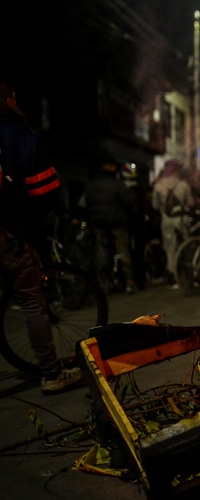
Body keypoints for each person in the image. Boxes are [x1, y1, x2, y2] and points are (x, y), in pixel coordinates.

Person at [0, 80, 83, 393]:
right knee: (31, 300)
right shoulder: (18, 135)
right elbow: (45, 190)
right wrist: (30, 225)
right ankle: (52, 374)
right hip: (8, 233)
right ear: (10, 100)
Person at [84, 157, 137, 292]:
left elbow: (86, 204)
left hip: (98, 223)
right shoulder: (117, 184)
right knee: (123, 250)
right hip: (117, 221)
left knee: (101, 249)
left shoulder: (91, 185)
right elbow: (128, 202)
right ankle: (129, 282)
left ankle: (103, 281)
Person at [151, 158, 192, 287]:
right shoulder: (183, 185)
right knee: (186, 245)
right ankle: (188, 272)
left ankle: (173, 275)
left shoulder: (158, 186)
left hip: (166, 220)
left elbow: (155, 205)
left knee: (170, 248)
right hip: (181, 219)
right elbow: (190, 203)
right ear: (176, 170)